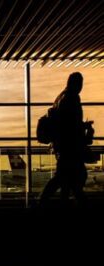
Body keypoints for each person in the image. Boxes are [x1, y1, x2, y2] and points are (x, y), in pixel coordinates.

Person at [39, 72, 93, 207]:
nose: (81, 86)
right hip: (70, 147)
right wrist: (83, 128)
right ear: (76, 84)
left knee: (65, 179)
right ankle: (43, 202)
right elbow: (70, 125)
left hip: (62, 146)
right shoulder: (72, 97)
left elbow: (65, 123)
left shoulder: (60, 97)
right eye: (80, 83)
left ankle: (49, 202)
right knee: (74, 178)